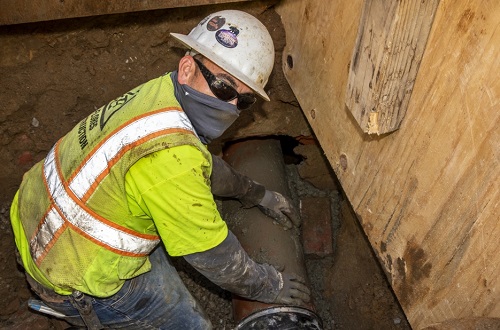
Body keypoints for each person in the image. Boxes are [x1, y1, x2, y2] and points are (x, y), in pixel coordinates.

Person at [10, 9, 310, 329]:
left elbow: (201, 166)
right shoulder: (173, 163)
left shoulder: (163, 94)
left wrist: (256, 194)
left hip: (37, 218)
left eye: (244, 100)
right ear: (187, 67)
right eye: (223, 87)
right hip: (73, 276)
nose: (230, 106)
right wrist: (268, 284)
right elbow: (215, 258)